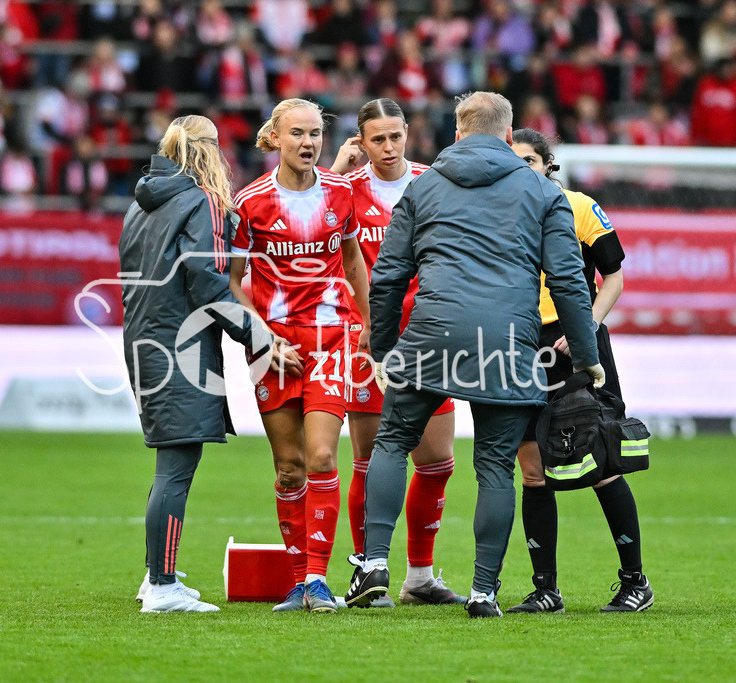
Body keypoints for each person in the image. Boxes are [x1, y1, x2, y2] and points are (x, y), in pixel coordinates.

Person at [344, 91, 604, 618]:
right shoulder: (543, 191)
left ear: (457, 134)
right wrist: (586, 351)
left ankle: (373, 563)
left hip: (432, 334)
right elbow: (570, 281)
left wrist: (386, 346)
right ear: (510, 137)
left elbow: (390, 275)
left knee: (392, 442)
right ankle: (484, 592)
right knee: (492, 467)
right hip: (507, 341)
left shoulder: (424, 186)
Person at [121, 115, 300, 613]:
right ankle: (161, 585)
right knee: (177, 465)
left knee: (169, 463)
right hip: (180, 345)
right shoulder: (198, 201)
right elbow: (207, 284)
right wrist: (262, 337)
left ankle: (158, 573)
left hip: (144, 339)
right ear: (209, 153)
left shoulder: (142, 202)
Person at [230, 98, 372, 614]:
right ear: (276, 138)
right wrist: (264, 339)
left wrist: (369, 322)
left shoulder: (341, 192)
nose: (309, 143)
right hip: (275, 349)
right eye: (298, 134)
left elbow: (354, 261)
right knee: (289, 468)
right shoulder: (250, 203)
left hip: (332, 340)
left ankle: (317, 579)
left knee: (320, 458)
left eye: (316, 133)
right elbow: (231, 284)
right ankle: (296, 582)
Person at [507, 128, 654, 614]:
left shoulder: (580, 207)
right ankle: (545, 588)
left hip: (576, 345)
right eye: (513, 160)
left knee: (600, 460)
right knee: (531, 469)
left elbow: (614, 275)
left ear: (549, 164)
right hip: (521, 349)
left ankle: (635, 581)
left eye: (530, 159)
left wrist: (586, 325)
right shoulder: (498, 215)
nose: (522, 167)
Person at [328, 98, 463, 607]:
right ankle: (369, 572)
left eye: (395, 137)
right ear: (360, 141)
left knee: (437, 461)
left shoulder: (433, 181)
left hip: (429, 335)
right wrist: (337, 172)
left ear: (408, 133)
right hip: (366, 339)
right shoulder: (346, 191)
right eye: (376, 139)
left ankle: (420, 576)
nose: (387, 148)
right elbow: (314, 224)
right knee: (369, 458)